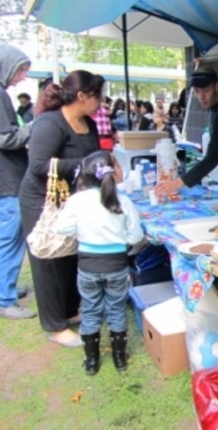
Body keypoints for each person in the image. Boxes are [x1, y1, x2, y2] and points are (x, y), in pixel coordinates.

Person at [19, 70, 105, 347]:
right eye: (98, 96)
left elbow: (92, 159)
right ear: (82, 96)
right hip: (41, 201)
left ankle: (69, 310)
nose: (102, 102)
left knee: (69, 255)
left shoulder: (89, 124)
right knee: (48, 259)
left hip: (71, 200)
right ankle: (54, 325)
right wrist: (86, 164)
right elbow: (39, 165)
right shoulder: (50, 123)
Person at [55, 151, 144, 375]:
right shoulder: (124, 201)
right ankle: (120, 359)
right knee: (116, 310)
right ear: (112, 173)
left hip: (87, 266)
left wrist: (81, 232)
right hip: (116, 266)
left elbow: (62, 228)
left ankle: (92, 362)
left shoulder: (77, 201)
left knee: (91, 310)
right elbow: (134, 238)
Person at [155, 66, 218, 204]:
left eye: (206, 90)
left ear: (217, 87)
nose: (201, 97)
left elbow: (212, 157)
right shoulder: (216, 106)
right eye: (197, 91)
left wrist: (177, 183)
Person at [0, 44, 36, 320]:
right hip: (8, 181)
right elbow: (5, 138)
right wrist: (32, 128)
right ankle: (5, 299)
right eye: (22, 70)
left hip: (8, 179)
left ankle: (6, 289)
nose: (23, 77)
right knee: (10, 240)